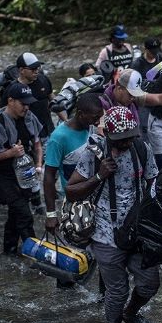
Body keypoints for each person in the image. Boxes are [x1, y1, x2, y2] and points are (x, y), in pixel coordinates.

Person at [66, 106, 159, 323]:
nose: (126, 143)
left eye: (130, 138)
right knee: (117, 292)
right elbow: (71, 191)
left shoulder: (141, 148)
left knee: (150, 283)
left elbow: (153, 182)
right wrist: (99, 176)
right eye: (120, 139)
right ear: (107, 134)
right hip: (106, 233)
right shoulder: (93, 154)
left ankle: (130, 313)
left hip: (137, 231)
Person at [0, 82, 43, 254]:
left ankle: (9, 250)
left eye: (29, 103)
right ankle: (36, 254)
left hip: (24, 172)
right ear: (11, 101)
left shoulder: (30, 118)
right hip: (1, 176)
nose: (26, 107)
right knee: (24, 214)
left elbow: (37, 144)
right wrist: (9, 153)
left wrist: (38, 165)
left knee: (15, 214)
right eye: (23, 103)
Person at [43, 93, 105, 228]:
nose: (97, 122)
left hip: (96, 192)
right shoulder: (58, 138)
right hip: (76, 198)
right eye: (95, 118)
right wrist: (51, 214)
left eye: (99, 118)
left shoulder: (90, 127)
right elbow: (48, 176)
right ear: (81, 113)